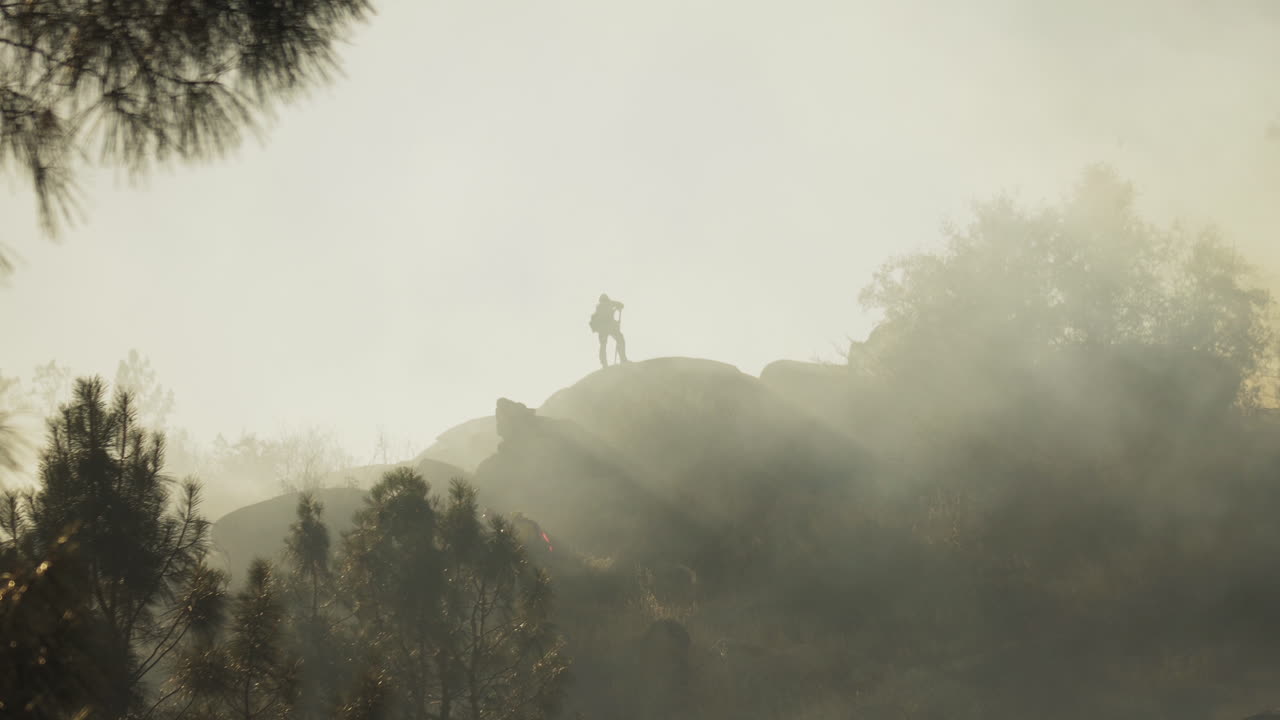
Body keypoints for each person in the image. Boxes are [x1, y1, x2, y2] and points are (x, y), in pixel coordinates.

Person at [590, 293, 628, 367]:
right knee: (620, 339)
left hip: (602, 329)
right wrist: (617, 308)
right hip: (610, 327)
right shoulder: (609, 303)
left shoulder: (598, 307)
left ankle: (604, 364)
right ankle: (623, 359)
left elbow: (620, 305)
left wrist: (616, 308)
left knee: (603, 345)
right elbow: (621, 304)